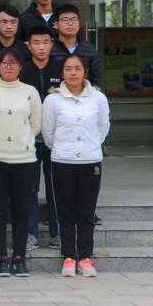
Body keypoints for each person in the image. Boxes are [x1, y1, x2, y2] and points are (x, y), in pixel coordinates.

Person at [43, 54, 110, 279]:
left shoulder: (98, 98)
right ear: (62, 73)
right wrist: (64, 148)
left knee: (86, 211)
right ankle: (69, 256)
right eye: (68, 68)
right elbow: (48, 133)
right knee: (65, 211)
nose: (73, 72)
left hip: (90, 161)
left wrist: (90, 146)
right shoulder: (53, 100)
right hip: (62, 161)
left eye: (78, 68)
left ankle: (85, 257)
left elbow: (103, 127)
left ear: (85, 72)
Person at [0, 48, 42, 279]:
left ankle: (19, 257)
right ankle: (1, 256)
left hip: (24, 159)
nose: (8, 66)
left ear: (21, 67)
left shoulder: (30, 92)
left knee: (21, 209)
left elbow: (35, 125)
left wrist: (21, 141)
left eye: (13, 63)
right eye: (4, 62)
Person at [21, 25, 63, 251]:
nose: (41, 47)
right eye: (36, 42)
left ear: (51, 45)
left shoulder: (60, 68)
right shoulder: (23, 69)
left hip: (56, 139)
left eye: (45, 42)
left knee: (55, 186)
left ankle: (58, 233)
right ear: (29, 46)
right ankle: (30, 233)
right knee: (30, 188)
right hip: (30, 139)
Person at [48, 4, 104, 90]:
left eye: (74, 19)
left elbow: (97, 79)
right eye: (65, 20)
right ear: (56, 24)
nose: (70, 23)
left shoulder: (89, 49)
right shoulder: (49, 48)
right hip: (55, 94)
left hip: (83, 96)